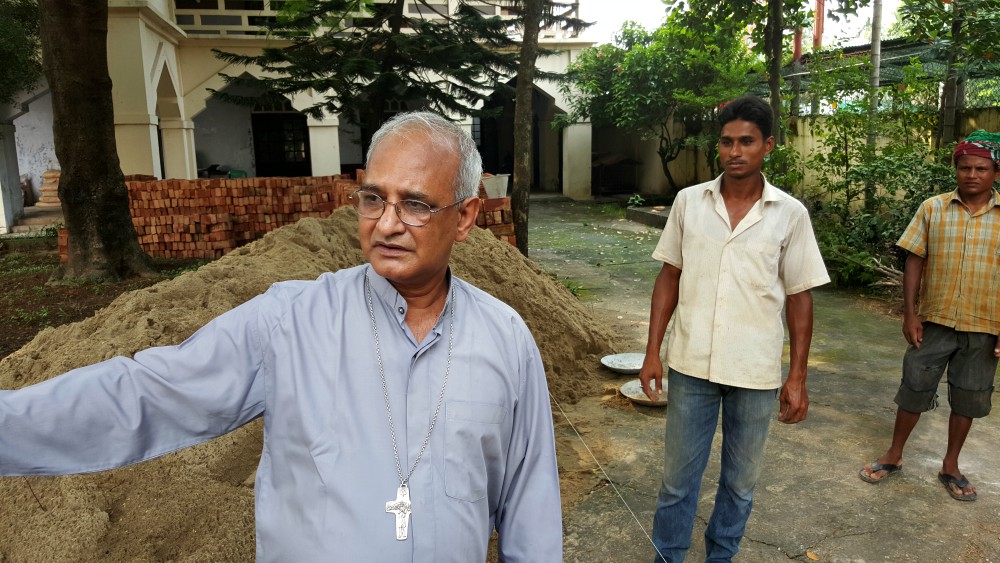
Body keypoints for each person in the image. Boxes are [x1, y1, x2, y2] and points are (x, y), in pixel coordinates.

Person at [0, 111, 562, 561]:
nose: (386, 224)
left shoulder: (504, 339)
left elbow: (530, 508)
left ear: (465, 218)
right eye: (373, 199)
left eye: (414, 204)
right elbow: (146, 392)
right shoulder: (290, 321)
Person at [638, 96, 830, 562]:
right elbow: (670, 277)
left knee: (740, 484)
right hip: (691, 365)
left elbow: (800, 297)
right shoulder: (689, 202)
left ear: (768, 145)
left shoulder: (789, 214)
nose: (735, 151)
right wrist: (651, 351)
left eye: (746, 141)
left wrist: (797, 376)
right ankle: (668, 556)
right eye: (726, 142)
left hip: (755, 371)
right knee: (676, 482)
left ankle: (720, 557)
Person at [859, 130, 1000, 502]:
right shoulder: (933, 208)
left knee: (970, 396)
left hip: (985, 325)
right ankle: (894, 454)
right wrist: (909, 313)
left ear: (995, 173)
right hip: (934, 320)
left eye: (981, 168)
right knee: (914, 388)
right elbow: (914, 259)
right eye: (965, 167)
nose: (972, 175)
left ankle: (951, 465)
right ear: (956, 169)